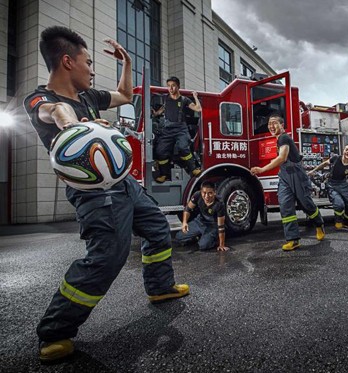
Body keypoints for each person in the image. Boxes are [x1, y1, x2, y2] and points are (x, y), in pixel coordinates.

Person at [23, 26, 189, 363]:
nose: (93, 69)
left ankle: (160, 288)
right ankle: (54, 332)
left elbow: (125, 96)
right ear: (68, 61)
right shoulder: (41, 99)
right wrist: (73, 127)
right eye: (88, 62)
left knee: (157, 228)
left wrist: (127, 62)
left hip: (125, 182)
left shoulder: (88, 97)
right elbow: (54, 112)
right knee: (108, 256)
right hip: (95, 194)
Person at [250, 114, 326, 251]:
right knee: (285, 206)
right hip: (285, 176)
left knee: (306, 204)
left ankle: (319, 224)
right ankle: (293, 239)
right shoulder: (279, 139)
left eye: (274, 123)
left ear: (282, 125)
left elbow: (282, 157)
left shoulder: (284, 138)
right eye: (269, 123)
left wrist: (262, 169)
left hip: (296, 175)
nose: (271, 126)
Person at [153, 76, 202, 182]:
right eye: (169, 86)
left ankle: (193, 168)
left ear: (178, 87)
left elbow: (198, 108)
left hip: (181, 129)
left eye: (173, 86)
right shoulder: (165, 98)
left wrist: (195, 96)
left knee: (183, 147)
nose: (170, 88)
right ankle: (164, 175)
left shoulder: (184, 100)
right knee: (160, 151)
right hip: (168, 129)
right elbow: (163, 108)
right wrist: (156, 113)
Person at [308, 144, 348, 229]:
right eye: (346, 149)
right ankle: (338, 221)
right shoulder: (335, 158)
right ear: (343, 151)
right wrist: (313, 171)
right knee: (339, 204)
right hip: (332, 184)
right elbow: (324, 164)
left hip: (343, 185)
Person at [176, 181, 229, 251]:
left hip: (212, 225)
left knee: (203, 246)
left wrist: (221, 245)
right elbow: (187, 209)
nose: (206, 196)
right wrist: (184, 223)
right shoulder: (197, 195)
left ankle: (214, 239)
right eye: (204, 193)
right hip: (200, 221)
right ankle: (198, 236)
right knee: (179, 237)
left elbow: (221, 227)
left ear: (214, 192)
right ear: (201, 192)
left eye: (210, 193)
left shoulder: (219, 203)